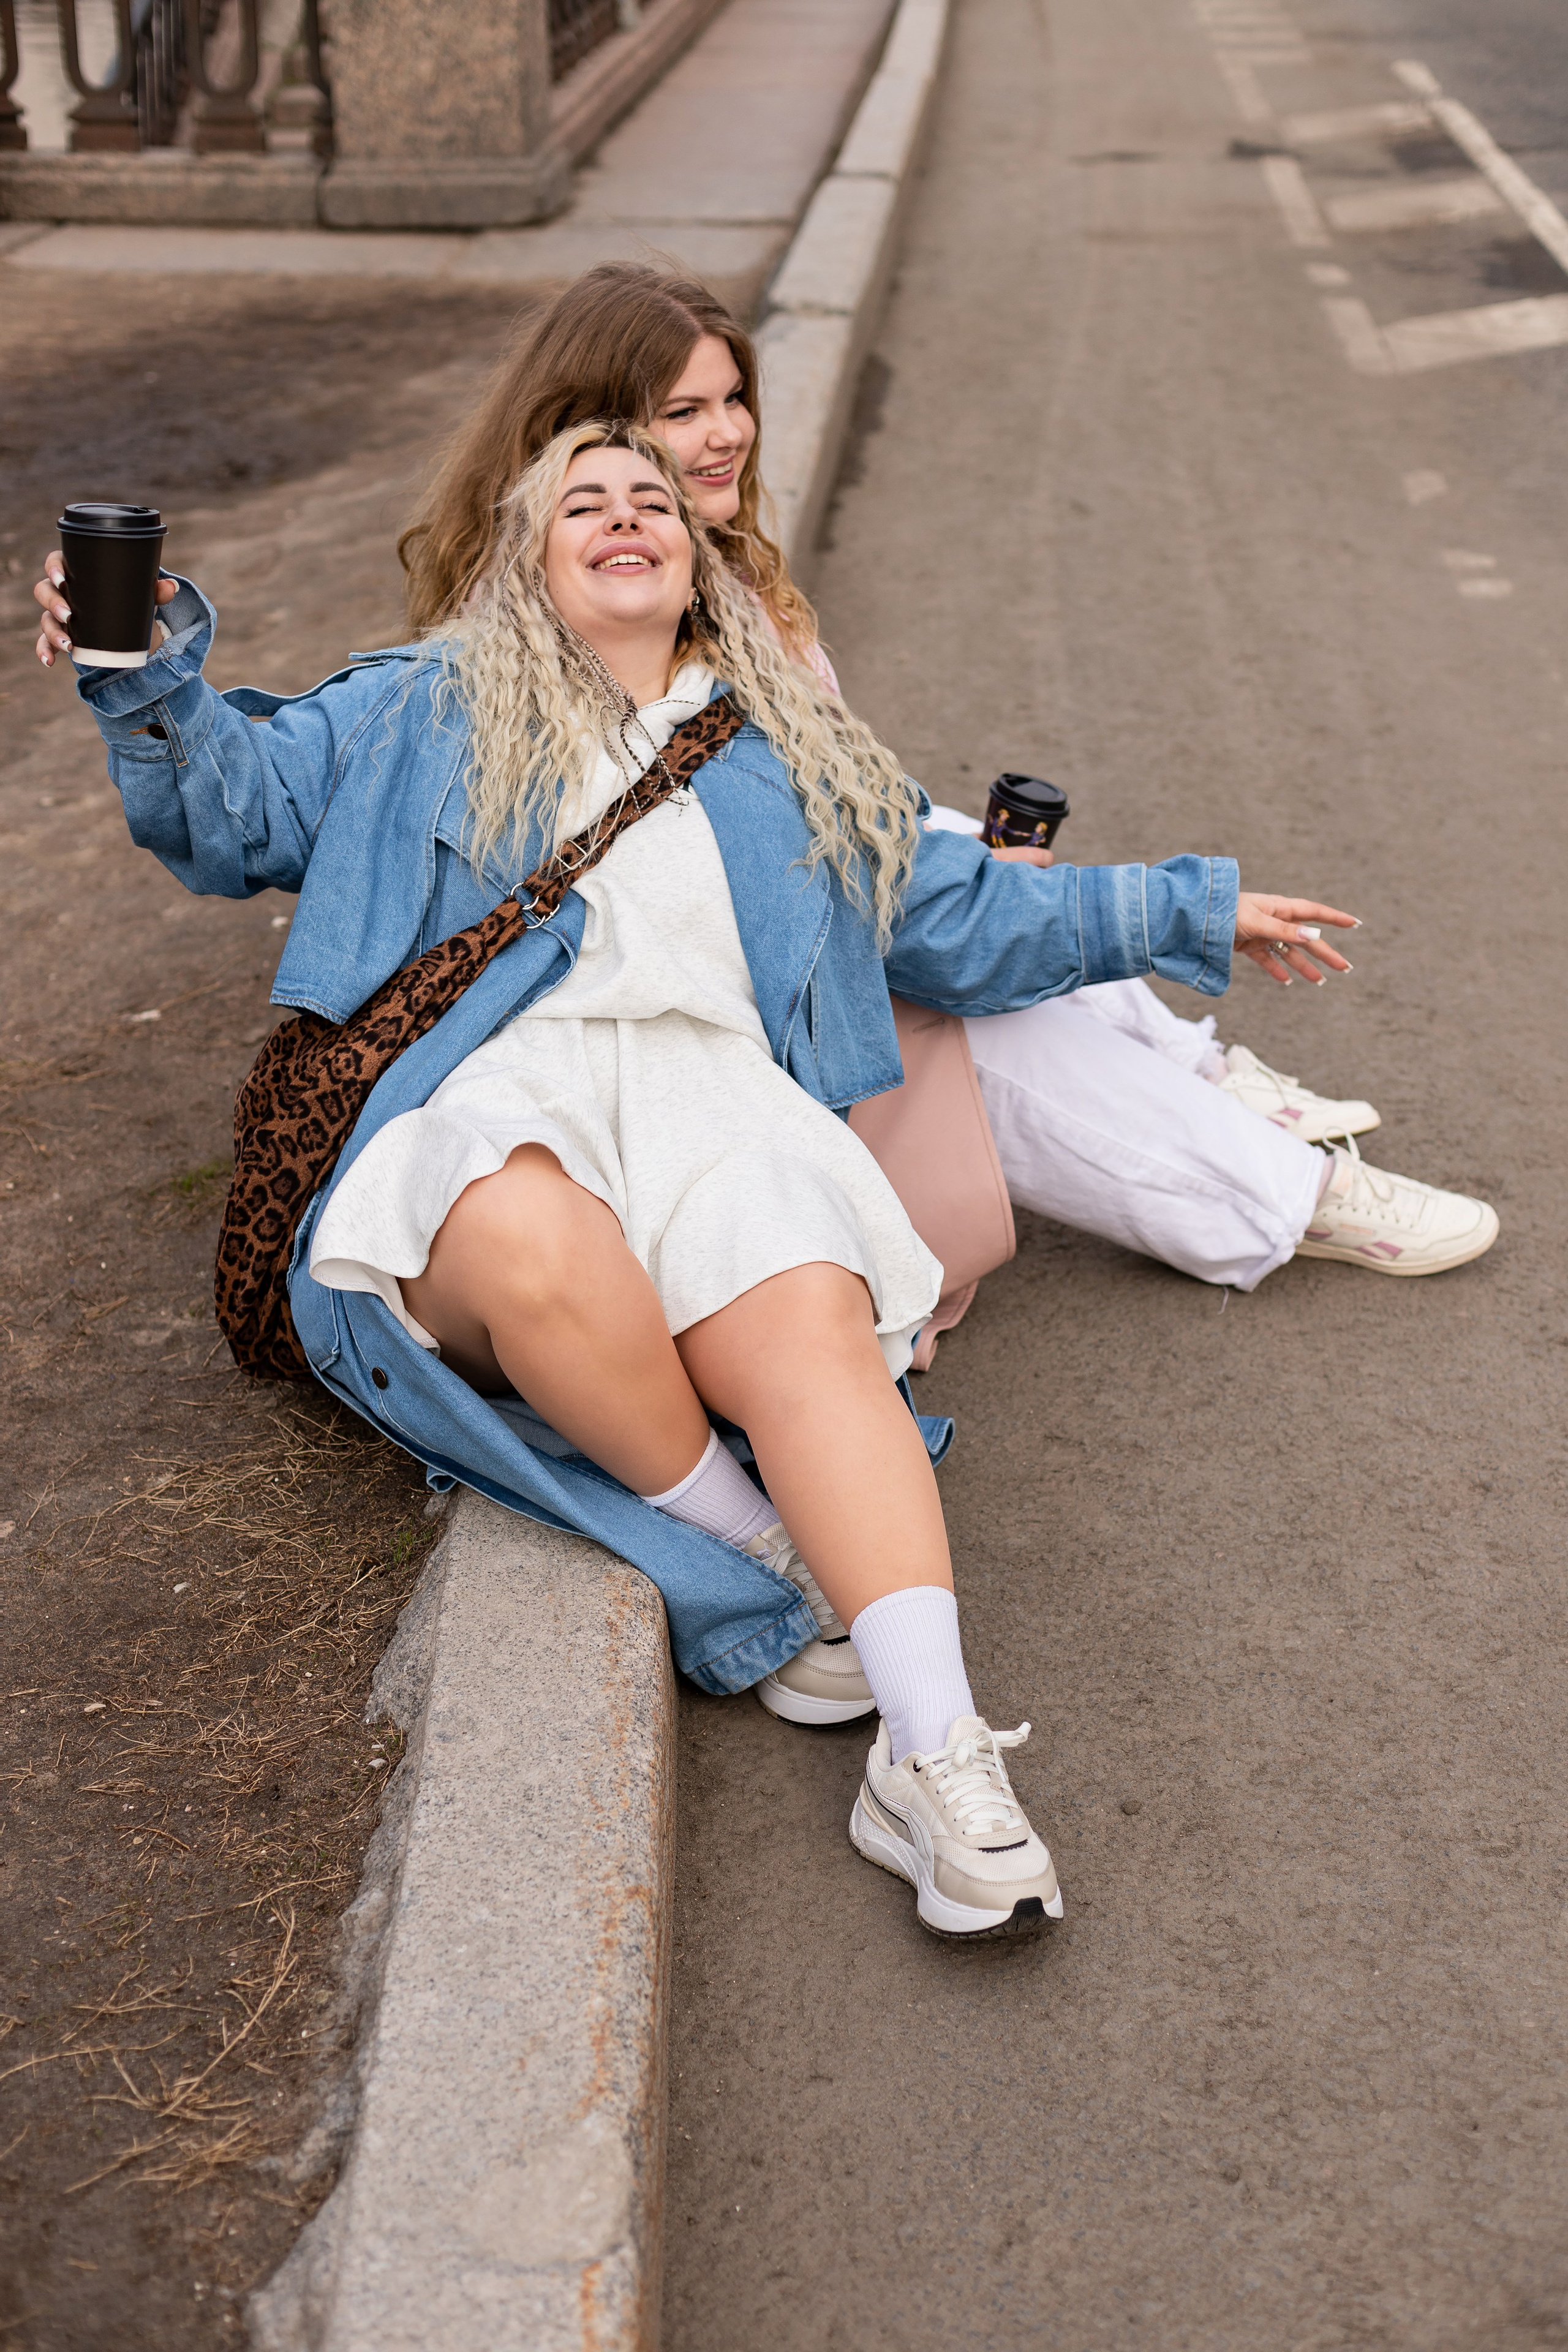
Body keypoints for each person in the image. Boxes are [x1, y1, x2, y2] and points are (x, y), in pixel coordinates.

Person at [34, 422, 1356, 1941]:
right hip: (489, 1104)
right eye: (578, 503)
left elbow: (965, 914)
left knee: (800, 1298)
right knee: (529, 1230)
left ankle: (932, 1756)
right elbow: (233, 810)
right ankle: (755, 1552)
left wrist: (1196, 907)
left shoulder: (787, 747)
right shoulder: (422, 704)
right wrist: (137, 675)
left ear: (691, 557)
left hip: (713, 1107)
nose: (621, 517)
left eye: (648, 501)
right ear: (528, 558)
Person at [398, 262, 1496, 1299]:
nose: (728, 432)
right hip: (694, 1029)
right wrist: (1186, 913)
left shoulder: (688, 569)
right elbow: (887, 906)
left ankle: (1198, 1079)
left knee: (962, 850)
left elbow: (862, 829)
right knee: (995, 1010)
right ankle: (1277, 1196)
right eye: (684, 412)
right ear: (590, 432)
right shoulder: (616, 622)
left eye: (733, 397)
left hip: (759, 945)